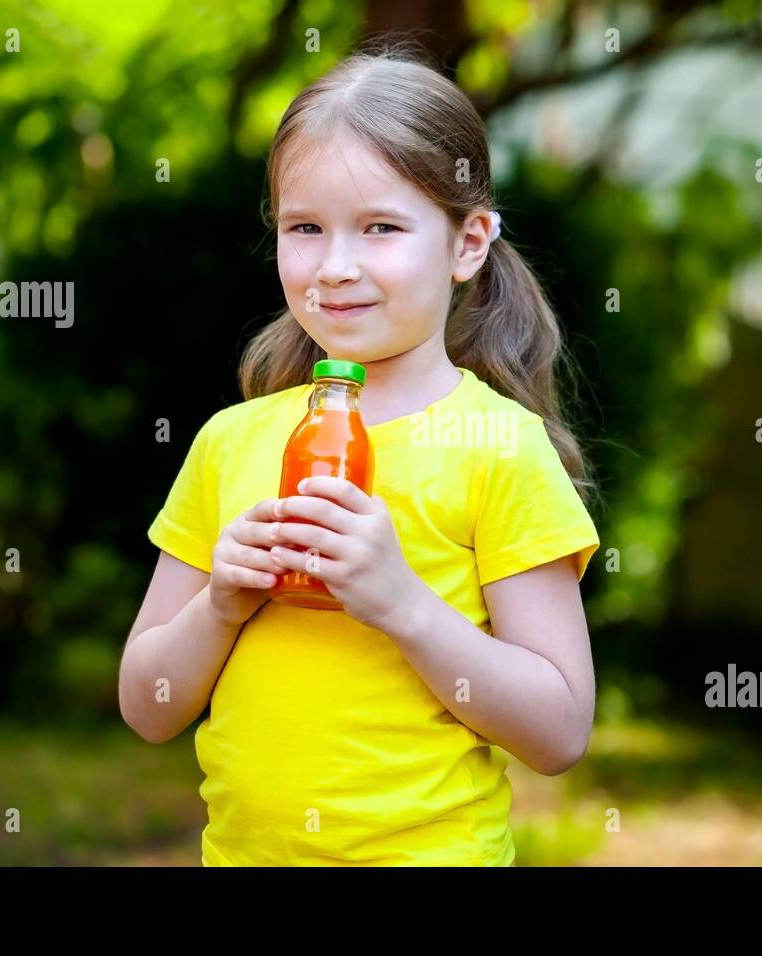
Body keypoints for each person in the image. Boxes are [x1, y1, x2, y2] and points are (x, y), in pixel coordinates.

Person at [119, 44, 600, 866]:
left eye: (381, 227)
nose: (336, 268)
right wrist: (221, 606)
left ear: (468, 242)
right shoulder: (230, 442)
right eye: (305, 228)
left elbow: (558, 730)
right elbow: (148, 706)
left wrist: (401, 603)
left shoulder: (498, 447)